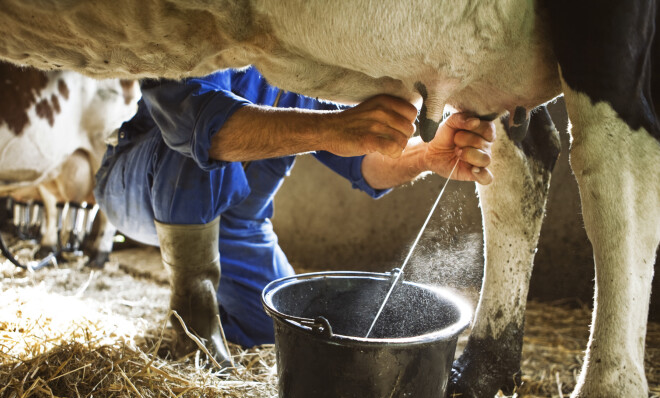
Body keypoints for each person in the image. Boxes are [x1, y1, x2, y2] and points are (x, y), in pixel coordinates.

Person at [94, 66, 495, 367]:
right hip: (137, 183)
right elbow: (199, 126)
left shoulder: (304, 64)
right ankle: (193, 321)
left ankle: (222, 314)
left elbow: (366, 163)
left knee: (282, 328)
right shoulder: (208, 25)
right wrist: (333, 129)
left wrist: (426, 155)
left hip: (239, 227)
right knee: (197, 143)